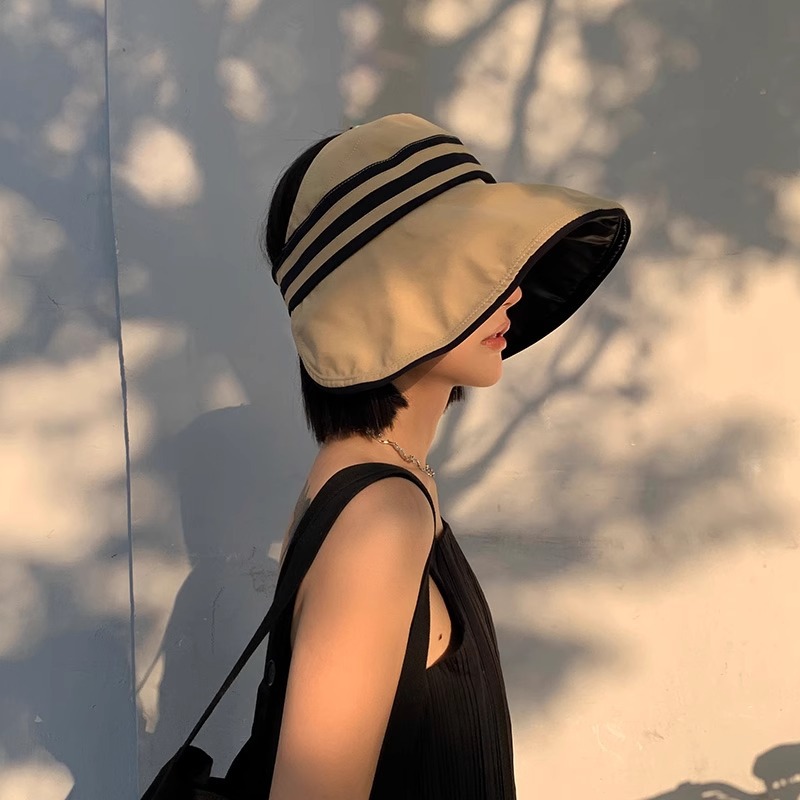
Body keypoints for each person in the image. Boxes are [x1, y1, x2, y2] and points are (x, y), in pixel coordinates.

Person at [225, 113, 631, 799]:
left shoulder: (386, 481)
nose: (513, 291)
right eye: (467, 270)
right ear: (382, 304)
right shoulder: (379, 518)